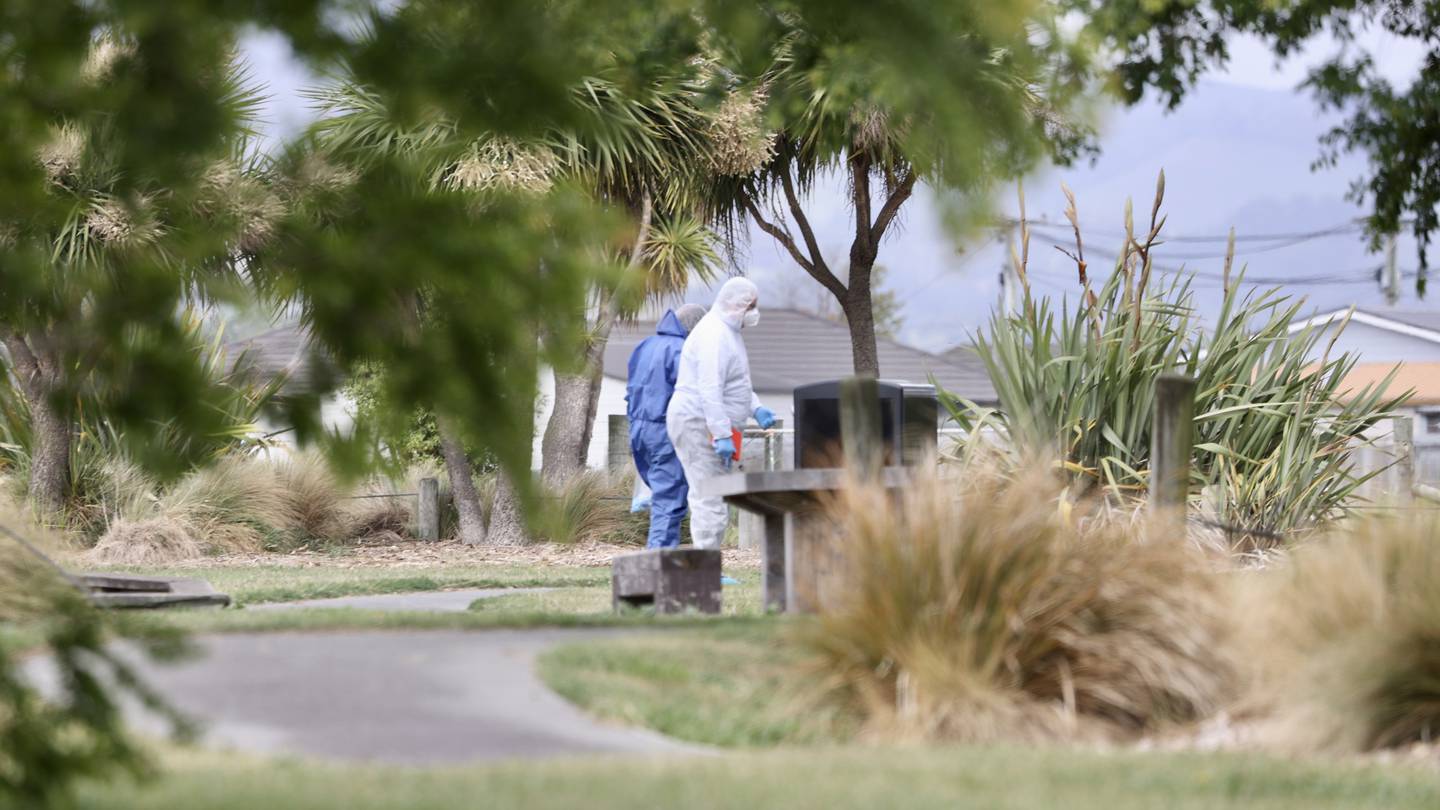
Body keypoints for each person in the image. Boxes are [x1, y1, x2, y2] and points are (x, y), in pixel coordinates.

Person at [666, 277, 776, 550]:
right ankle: (706, 565)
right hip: (697, 422)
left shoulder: (729, 334)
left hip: (709, 424)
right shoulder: (714, 335)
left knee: (713, 493)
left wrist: (756, 407)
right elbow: (710, 389)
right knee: (709, 494)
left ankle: (708, 561)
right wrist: (722, 433)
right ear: (738, 305)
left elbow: (736, 383)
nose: (754, 312)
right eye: (752, 305)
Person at [625, 304, 708, 549]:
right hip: (665, 430)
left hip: (638, 428)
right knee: (669, 499)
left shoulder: (645, 345)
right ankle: (660, 559)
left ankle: (661, 554)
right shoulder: (682, 351)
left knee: (660, 495)